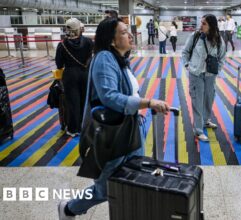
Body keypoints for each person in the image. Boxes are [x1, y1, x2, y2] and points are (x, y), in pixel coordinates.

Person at [57, 17, 170, 220]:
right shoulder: (104, 59)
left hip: (130, 129)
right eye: (124, 32)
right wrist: (148, 103)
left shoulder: (120, 59)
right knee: (106, 189)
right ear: (111, 39)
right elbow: (109, 96)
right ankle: (69, 208)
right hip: (111, 136)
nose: (130, 35)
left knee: (133, 180)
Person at [182, 14, 226, 142]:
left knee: (209, 98)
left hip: (210, 75)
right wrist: (187, 65)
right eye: (201, 23)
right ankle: (198, 130)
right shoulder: (195, 36)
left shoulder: (218, 40)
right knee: (197, 101)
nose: (201, 26)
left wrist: (217, 70)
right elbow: (185, 52)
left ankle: (206, 120)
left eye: (204, 23)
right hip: (196, 74)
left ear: (211, 26)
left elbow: (222, 57)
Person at [55, 18, 93, 137]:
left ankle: (73, 129)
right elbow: (90, 57)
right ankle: (85, 126)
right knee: (84, 101)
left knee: (72, 103)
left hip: (70, 75)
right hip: (85, 73)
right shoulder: (88, 42)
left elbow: (59, 64)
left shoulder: (62, 45)